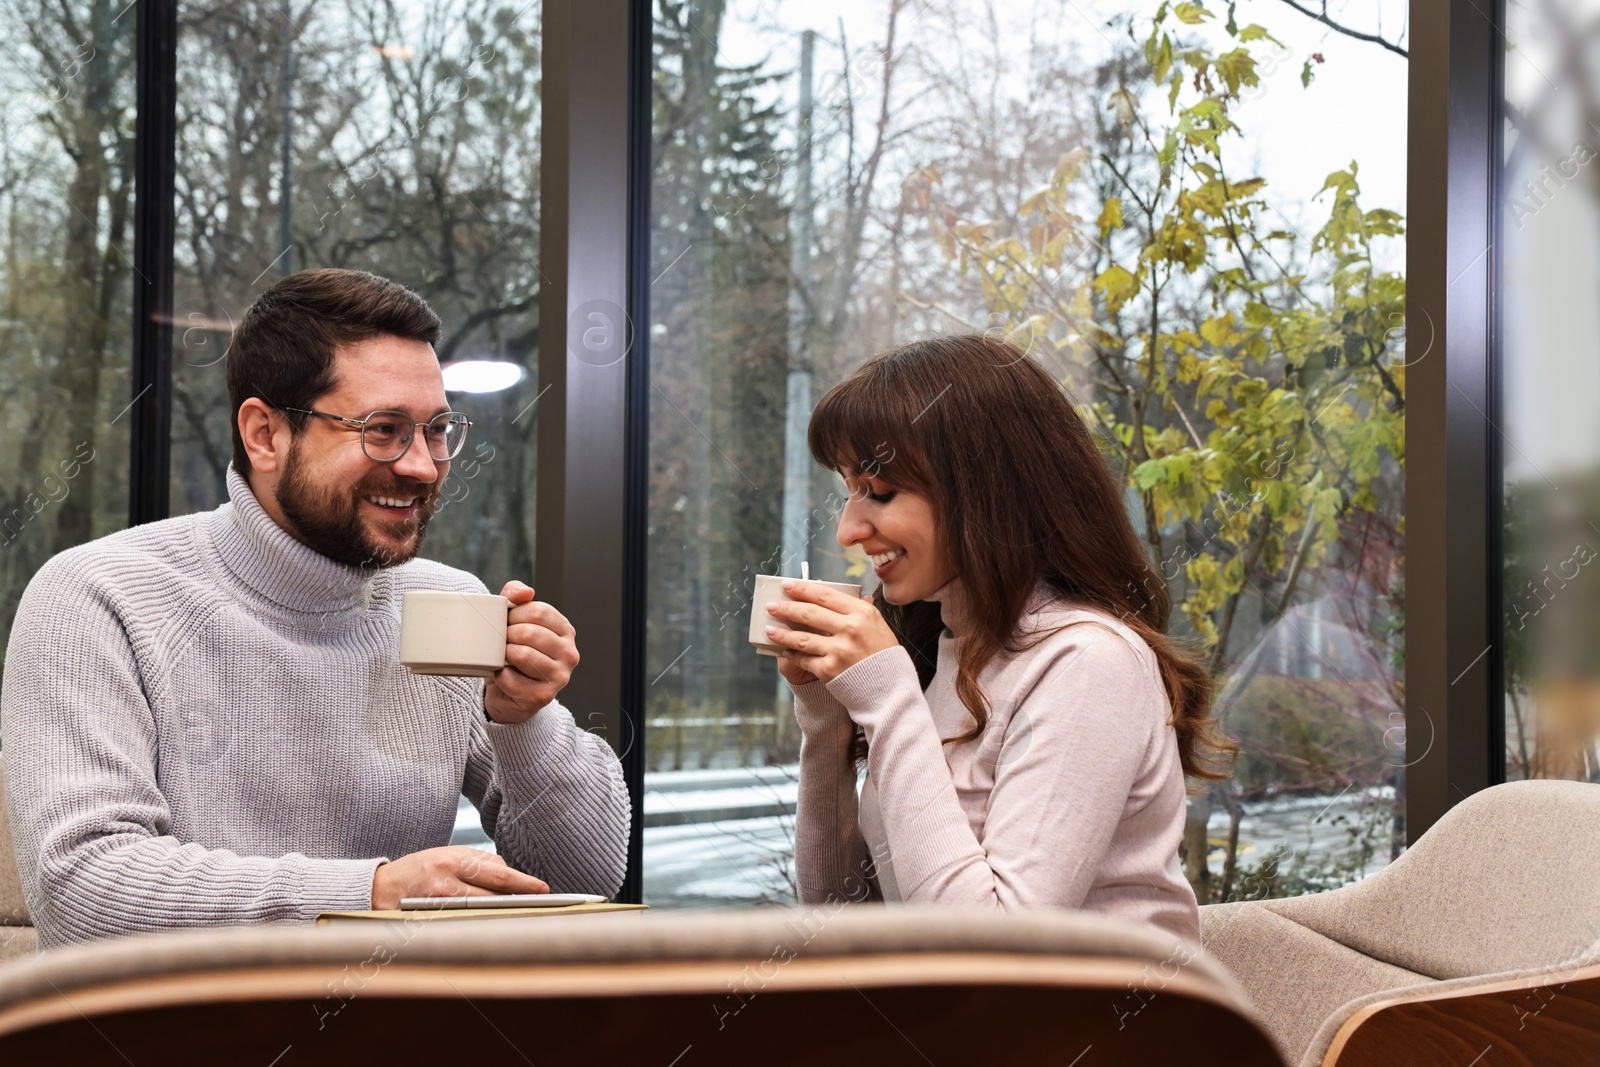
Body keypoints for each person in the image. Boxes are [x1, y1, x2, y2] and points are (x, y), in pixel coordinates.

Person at [0, 269, 629, 949]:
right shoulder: (96, 597)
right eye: (383, 429)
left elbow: (587, 876)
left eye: (438, 429)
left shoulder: (446, 604)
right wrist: (370, 895)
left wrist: (523, 723)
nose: (422, 464)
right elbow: (83, 891)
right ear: (264, 435)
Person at [765, 334, 1234, 942]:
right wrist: (828, 723)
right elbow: (839, 924)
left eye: (878, 492)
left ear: (983, 490)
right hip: (964, 1032)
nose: (850, 530)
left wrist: (886, 696)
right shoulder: (947, 655)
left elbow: (999, 951)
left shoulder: (1088, 663)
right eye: (848, 491)